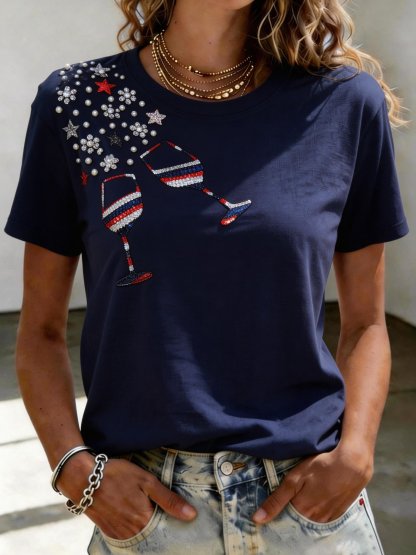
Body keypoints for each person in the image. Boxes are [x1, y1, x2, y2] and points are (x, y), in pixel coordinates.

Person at [4, 0, 410, 553]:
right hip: (148, 510)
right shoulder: (77, 103)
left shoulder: (342, 103)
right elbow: (40, 331)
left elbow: (366, 323)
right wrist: (73, 467)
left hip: (307, 503)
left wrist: (356, 453)